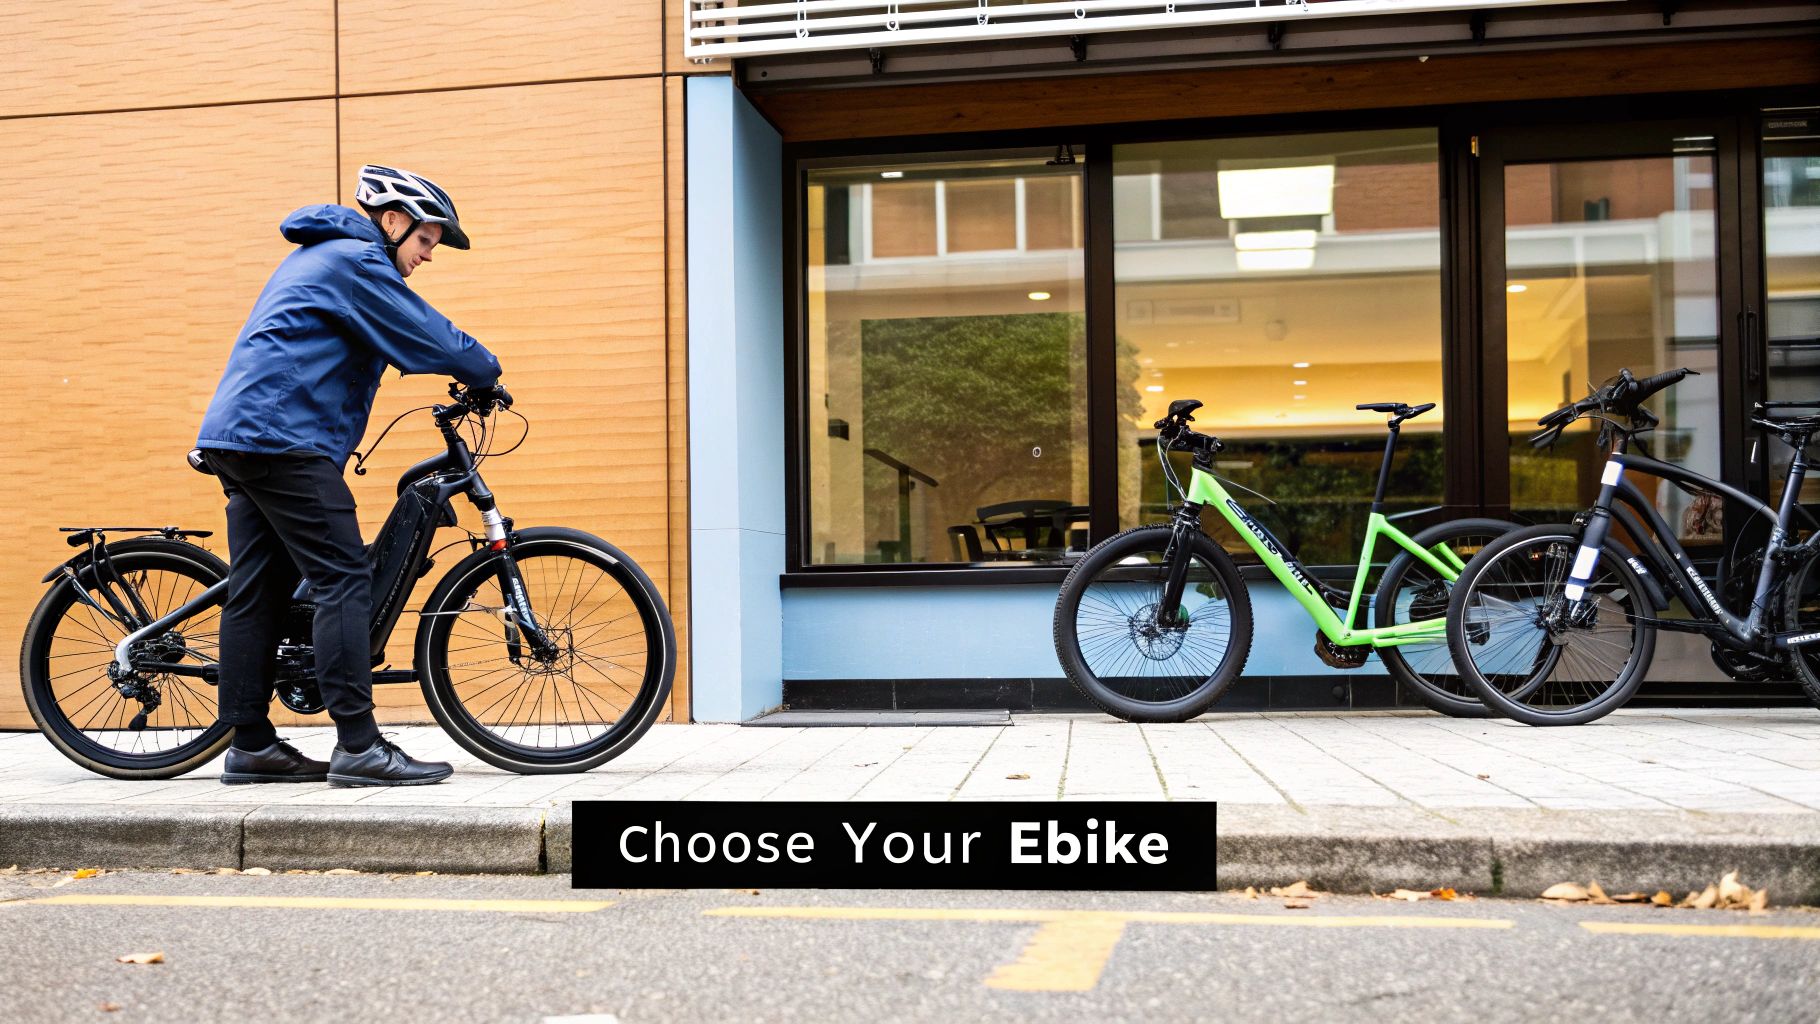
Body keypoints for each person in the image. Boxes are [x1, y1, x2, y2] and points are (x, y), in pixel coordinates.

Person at [194, 164, 505, 787]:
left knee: (257, 588)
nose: (427, 256)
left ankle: (251, 745)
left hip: (249, 435)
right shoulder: (354, 261)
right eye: (424, 241)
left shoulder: (331, 257)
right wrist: (485, 370)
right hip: (281, 439)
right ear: (392, 221)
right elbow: (425, 332)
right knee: (342, 575)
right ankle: (359, 746)